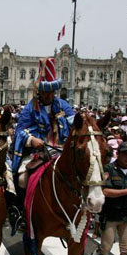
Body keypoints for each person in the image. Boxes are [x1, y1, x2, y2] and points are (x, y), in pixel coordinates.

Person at [10, 57, 75, 232]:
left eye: (52, 91)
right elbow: (20, 130)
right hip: (38, 153)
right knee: (22, 178)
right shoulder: (30, 108)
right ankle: (21, 212)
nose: (49, 95)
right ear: (39, 92)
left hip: (60, 151)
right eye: (45, 92)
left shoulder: (64, 106)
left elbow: (75, 123)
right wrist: (32, 140)